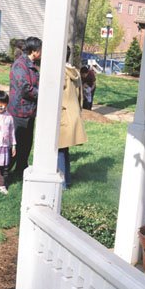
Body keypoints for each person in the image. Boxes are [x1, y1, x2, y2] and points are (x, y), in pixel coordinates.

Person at [8, 36, 41, 178]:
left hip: (30, 111)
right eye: (40, 49)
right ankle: (4, 173)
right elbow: (25, 88)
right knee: (16, 143)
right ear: (34, 51)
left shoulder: (34, 64)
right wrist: (43, 96)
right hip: (19, 111)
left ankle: (21, 170)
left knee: (26, 143)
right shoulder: (20, 65)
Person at [59, 47, 87, 189]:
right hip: (72, 113)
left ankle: (61, 184)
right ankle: (67, 180)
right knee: (63, 150)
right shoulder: (74, 71)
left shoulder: (60, 71)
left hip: (62, 114)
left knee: (58, 150)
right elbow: (80, 95)